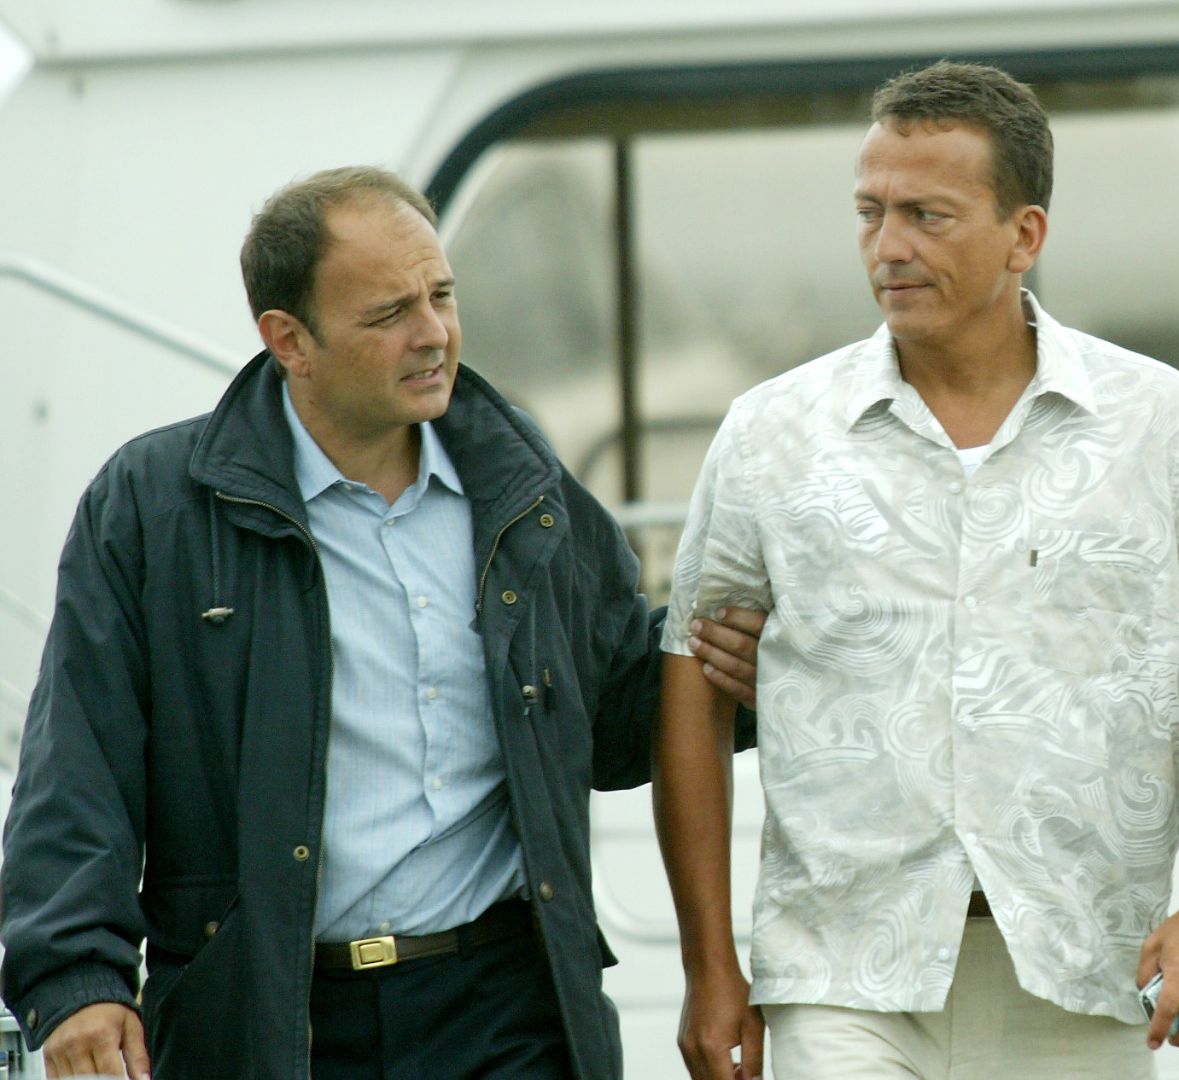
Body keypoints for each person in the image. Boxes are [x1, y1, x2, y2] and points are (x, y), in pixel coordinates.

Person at [0, 167, 763, 1080]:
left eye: (441, 294)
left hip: (508, 1013)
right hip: (266, 1024)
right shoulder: (153, 506)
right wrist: (78, 977)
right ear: (289, 340)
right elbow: (78, 758)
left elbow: (607, 714)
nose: (433, 333)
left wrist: (738, 664)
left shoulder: (517, 477)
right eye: (390, 313)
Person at [654, 61, 1179, 1080]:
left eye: (927, 216)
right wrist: (708, 963)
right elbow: (689, 682)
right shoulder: (770, 433)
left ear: (1023, 235)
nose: (888, 247)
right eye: (871, 212)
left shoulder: (1153, 417)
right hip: (842, 973)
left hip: (1084, 967)